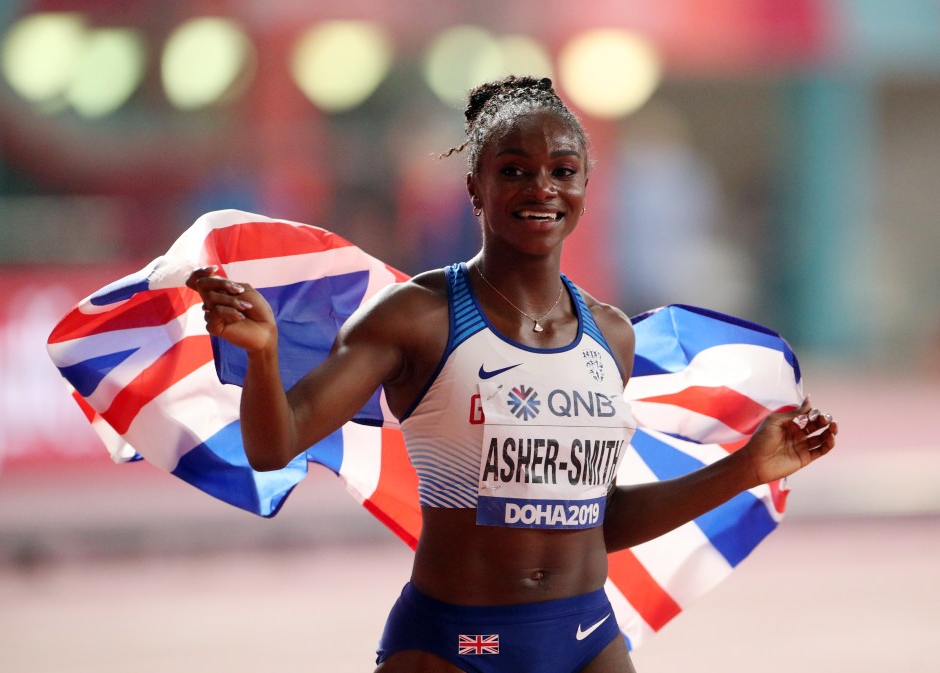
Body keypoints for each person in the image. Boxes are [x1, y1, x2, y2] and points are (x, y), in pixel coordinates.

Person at [187, 75, 838, 673]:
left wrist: (747, 468)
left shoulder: (609, 334)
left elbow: (597, 519)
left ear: (586, 185)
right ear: (476, 186)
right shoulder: (418, 316)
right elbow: (273, 444)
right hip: (456, 641)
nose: (542, 188)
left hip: (585, 633)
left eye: (563, 170)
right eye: (515, 170)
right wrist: (265, 354)